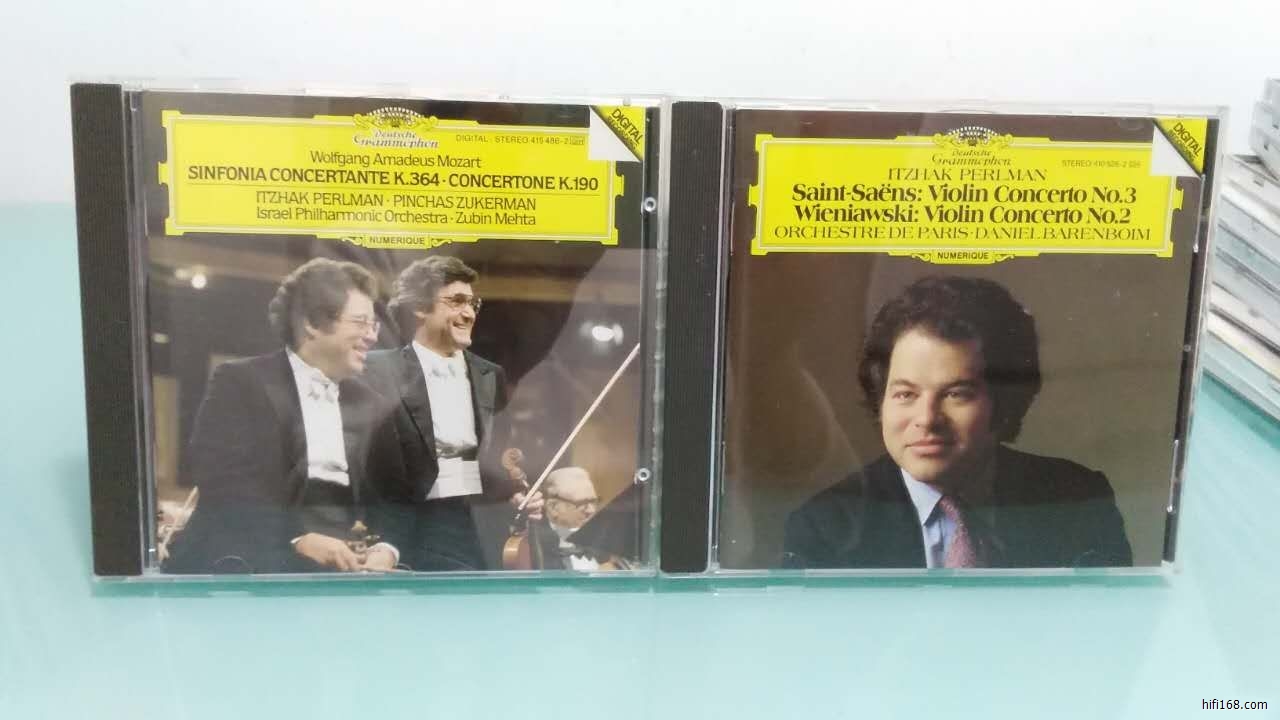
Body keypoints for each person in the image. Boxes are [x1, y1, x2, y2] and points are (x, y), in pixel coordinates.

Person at [783, 275, 1133, 569]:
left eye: (956, 394)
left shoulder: (1079, 501)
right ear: (882, 401)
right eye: (905, 394)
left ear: (1004, 402)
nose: (926, 419)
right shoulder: (823, 526)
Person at [165, 258, 403, 574]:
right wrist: (296, 538)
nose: (372, 336)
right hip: (250, 562)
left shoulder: (372, 404)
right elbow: (221, 478)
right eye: (361, 323)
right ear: (312, 323)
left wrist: (386, 548)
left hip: (342, 573)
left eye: (374, 325)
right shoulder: (240, 381)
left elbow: (391, 497)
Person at [364, 255, 542, 571]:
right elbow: (371, 464)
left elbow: (497, 462)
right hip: (409, 528)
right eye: (457, 301)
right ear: (420, 307)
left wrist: (514, 493)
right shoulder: (377, 369)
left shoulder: (491, 375)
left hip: (479, 528)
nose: (469, 313)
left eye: (473, 303)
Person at [538, 467, 602, 571]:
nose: (591, 510)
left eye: (593, 501)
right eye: (582, 503)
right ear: (553, 507)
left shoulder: (599, 535)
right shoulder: (532, 545)